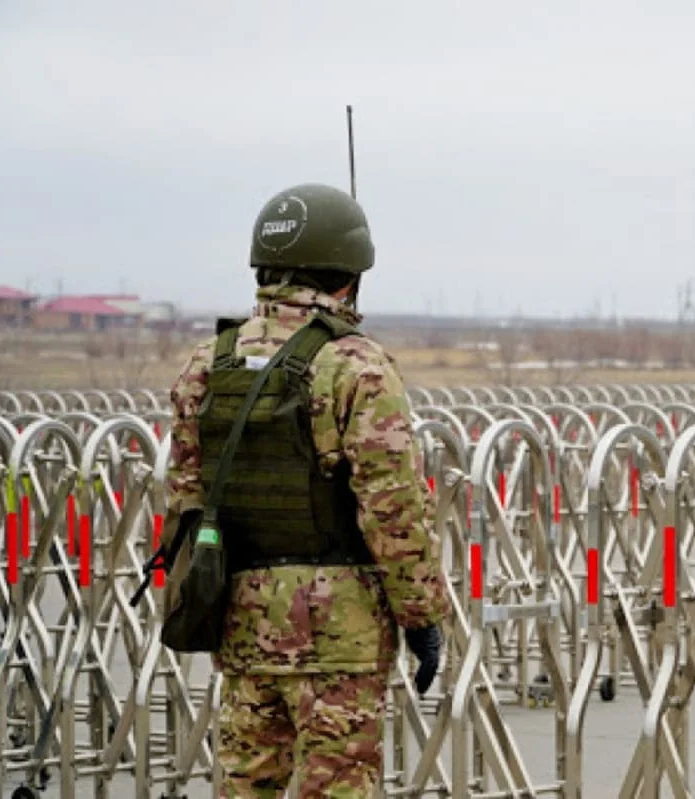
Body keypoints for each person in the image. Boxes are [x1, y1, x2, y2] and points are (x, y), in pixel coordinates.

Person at [163, 182, 449, 798]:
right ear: (347, 278)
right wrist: (423, 617)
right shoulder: (357, 366)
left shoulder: (207, 363)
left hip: (241, 625)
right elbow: (394, 514)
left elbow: (184, 496)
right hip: (339, 638)